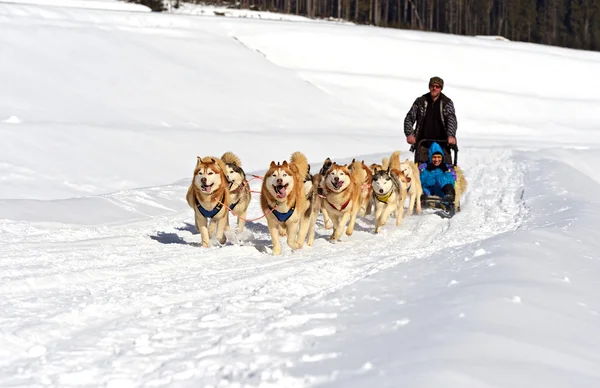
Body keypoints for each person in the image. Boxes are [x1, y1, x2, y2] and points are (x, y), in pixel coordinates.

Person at [404, 76, 458, 164]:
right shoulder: (420, 102)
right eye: (432, 86)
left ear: (441, 88)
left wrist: (451, 135)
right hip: (423, 144)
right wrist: (409, 133)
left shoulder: (446, 102)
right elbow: (409, 118)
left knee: (447, 172)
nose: (434, 88)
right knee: (421, 172)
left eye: (437, 87)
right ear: (429, 87)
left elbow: (451, 119)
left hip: (442, 144)